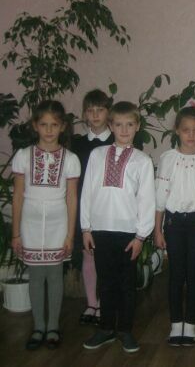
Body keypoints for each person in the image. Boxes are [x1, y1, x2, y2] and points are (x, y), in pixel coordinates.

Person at [81, 101, 155, 353]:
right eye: (119, 124)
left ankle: (125, 330)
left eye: (130, 125)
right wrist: (86, 228)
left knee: (126, 285)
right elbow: (87, 192)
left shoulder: (142, 161)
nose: (124, 130)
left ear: (137, 126)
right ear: (111, 126)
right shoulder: (97, 155)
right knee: (106, 283)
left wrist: (141, 236)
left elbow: (147, 200)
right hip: (100, 230)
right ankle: (105, 329)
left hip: (128, 234)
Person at [11, 100, 80, 350]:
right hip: (29, 225)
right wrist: (16, 234)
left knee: (55, 276)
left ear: (63, 127)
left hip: (58, 224)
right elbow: (18, 197)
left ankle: (53, 326)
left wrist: (70, 235)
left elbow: (71, 198)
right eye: (44, 124)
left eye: (54, 125)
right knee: (36, 277)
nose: (49, 130)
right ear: (35, 126)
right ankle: (38, 326)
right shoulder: (23, 156)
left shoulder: (70, 159)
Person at [154, 106, 195, 346]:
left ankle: (190, 323)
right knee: (175, 275)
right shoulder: (168, 159)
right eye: (186, 130)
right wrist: (157, 230)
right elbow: (160, 198)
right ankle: (176, 324)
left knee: (194, 274)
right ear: (177, 131)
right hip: (173, 224)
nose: (191, 135)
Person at [71, 89, 114, 327]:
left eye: (100, 110)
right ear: (84, 114)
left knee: (106, 257)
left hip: (109, 208)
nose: (95, 115)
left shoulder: (116, 140)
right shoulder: (77, 144)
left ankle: (106, 303)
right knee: (88, 255)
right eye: (90, 110)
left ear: (108, 112)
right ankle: (91, 303)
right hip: (84, 206)